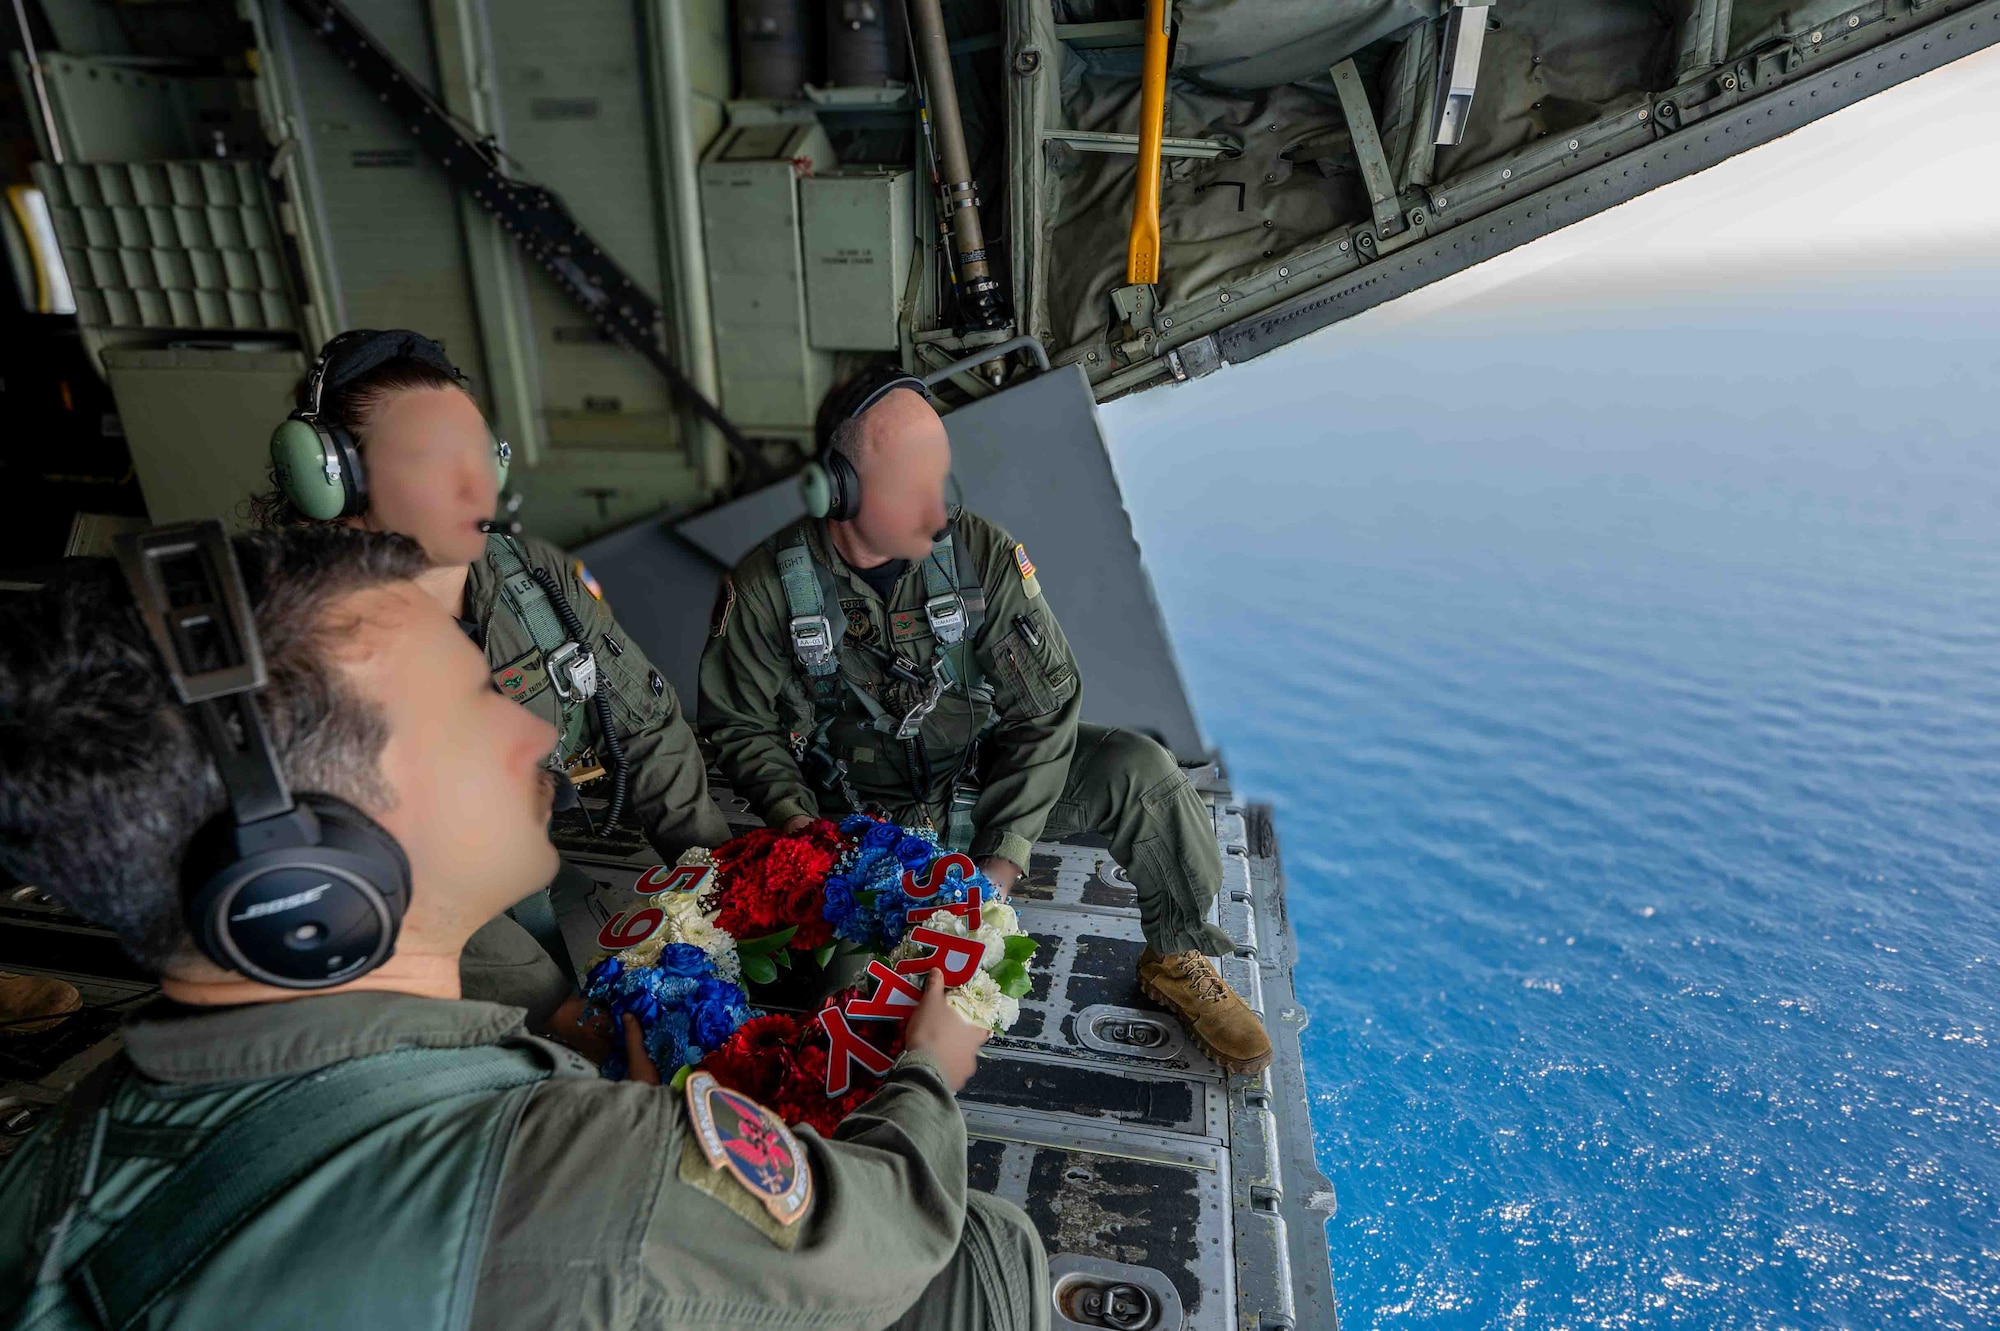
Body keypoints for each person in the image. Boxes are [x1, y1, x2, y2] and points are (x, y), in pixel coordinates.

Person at [0, 524, 1048, 1330]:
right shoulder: (577, 1164)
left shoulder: (61, 1148)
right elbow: (888, 1231)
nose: (533, 729)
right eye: (467, 705)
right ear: (308, 870)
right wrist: (924, 1067)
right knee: (983, 1258)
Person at [698, 368, 1273, 1074]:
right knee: (848, 1039)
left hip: (980, 785)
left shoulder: (980, 556)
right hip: (861, 833)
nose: (937, 508)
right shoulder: (765, 589)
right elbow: (740, 725)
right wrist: (805, 834)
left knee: (1143, 774)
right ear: (838, 491)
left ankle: (1175, 951)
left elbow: (1044, 707)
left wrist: (1001, 861)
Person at [251, 329, 729, 1027]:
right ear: (333, 480)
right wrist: (556, 1012)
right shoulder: (291, 649)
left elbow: (645, 725)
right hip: (385, 943)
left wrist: (723, 875)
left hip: (532, 888)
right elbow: (383, 883)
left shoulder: (532, 579)